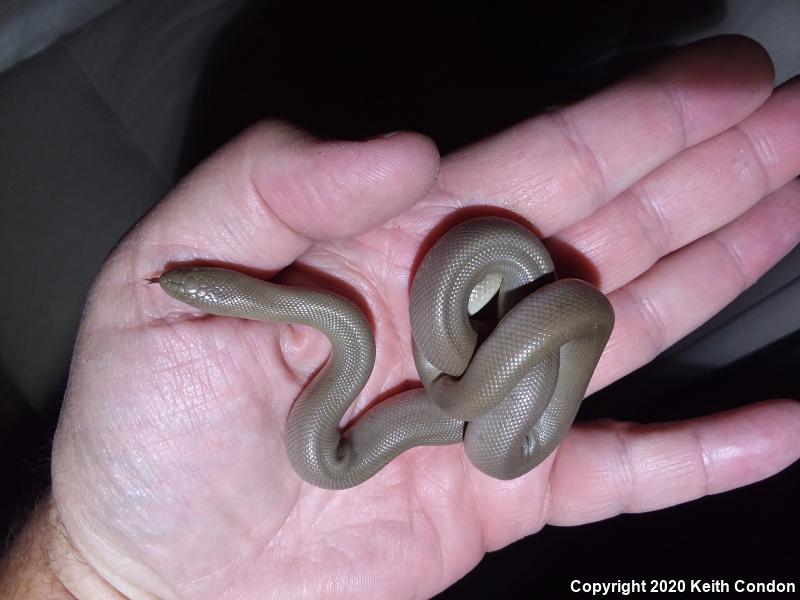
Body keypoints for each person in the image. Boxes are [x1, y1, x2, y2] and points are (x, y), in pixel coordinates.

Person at [2, 35, 799, 599]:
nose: (181, 285)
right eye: (196, 286)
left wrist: (95, 578)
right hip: (490, 348)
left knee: (503, 368)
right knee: (487, 392)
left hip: (499, 325)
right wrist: (95, 574)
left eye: (197, 283)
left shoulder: (412, 346)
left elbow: (485, 364)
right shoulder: (380, 365)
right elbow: (463, 383)